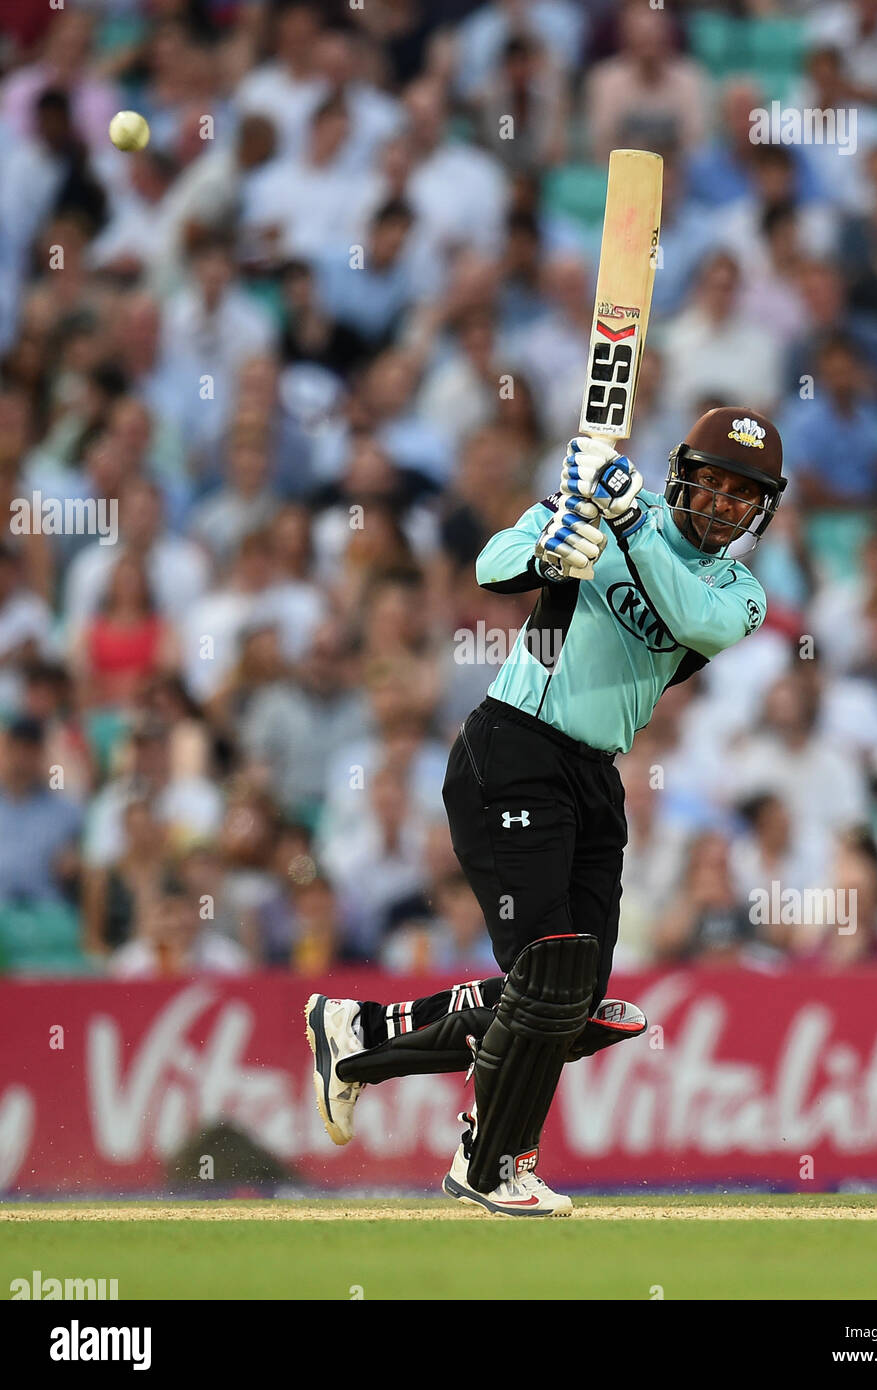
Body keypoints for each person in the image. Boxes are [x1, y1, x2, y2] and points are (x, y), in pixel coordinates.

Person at [304, 405, 786, 1215]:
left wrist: (622, 517)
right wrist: (550, 544)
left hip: (595, 777)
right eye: (714, 484)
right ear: (683, 477)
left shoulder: (736, 593)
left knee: (570, 1004)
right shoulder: (600, 504)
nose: (724, 506)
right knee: (554, 971)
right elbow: (492, 566)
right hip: (515, 747)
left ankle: (362, 1036)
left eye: (745, 496)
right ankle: (491, 1164)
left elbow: (684, 616)